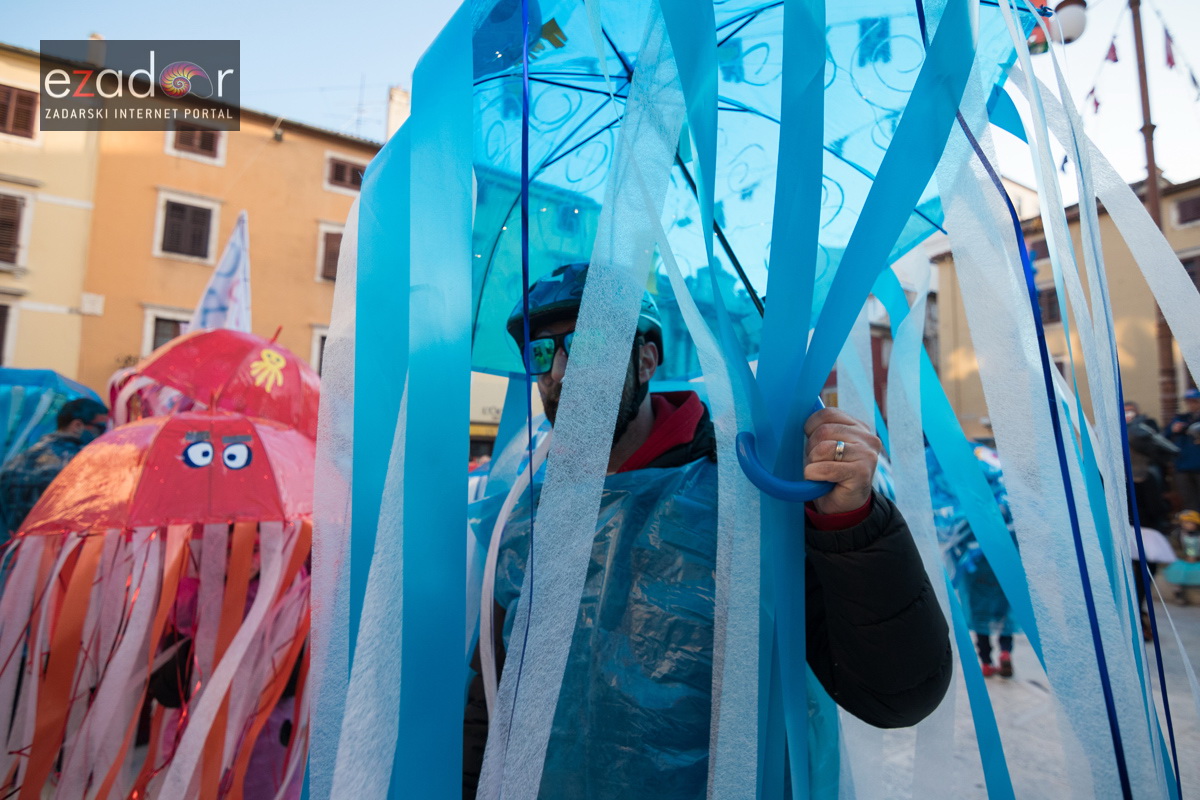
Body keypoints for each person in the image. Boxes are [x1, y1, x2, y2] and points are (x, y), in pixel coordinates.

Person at [463, 263, 952, 798]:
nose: (560, 372)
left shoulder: (749, 490)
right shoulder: (528, 513)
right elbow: (492, 698)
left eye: (587, 345)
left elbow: (896, 690)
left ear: (646, 358)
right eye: (541, 354)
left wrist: (851, 523)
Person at [0, 397, 108, 535]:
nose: (104, 434)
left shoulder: (16, 460)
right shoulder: (81, 463)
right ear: (77, 426)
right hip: (57, 549)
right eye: (101, 428)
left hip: (14, 551)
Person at [1126, 400, 1176, 531]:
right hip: (1128, 475)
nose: (1127, 414)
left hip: (1147, 472)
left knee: (1152, 505)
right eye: (1125, 411)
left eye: (1130, 410)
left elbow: (1163, 448)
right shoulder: (1117, 427)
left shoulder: (1146, 426)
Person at [1169, 389, 1200, 513]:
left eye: (1194, 401)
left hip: (1197, 465)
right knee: (1189, 501)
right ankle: (1192, 528)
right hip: (1182, 466)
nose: (1191, 405)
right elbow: (1166, 437)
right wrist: (1173, 429)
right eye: (1189, 402)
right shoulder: (1181, 418)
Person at [1163, 510, 1200, 605]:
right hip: (1183, 560)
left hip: (1197, 560)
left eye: (1192, 523)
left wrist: (1196, 557)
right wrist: (1184, 556)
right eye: (1186, 522)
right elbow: (1174, 548)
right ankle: (1179, 593)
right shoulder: (1177, 535)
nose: (1189, 525)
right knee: (1179, 573)